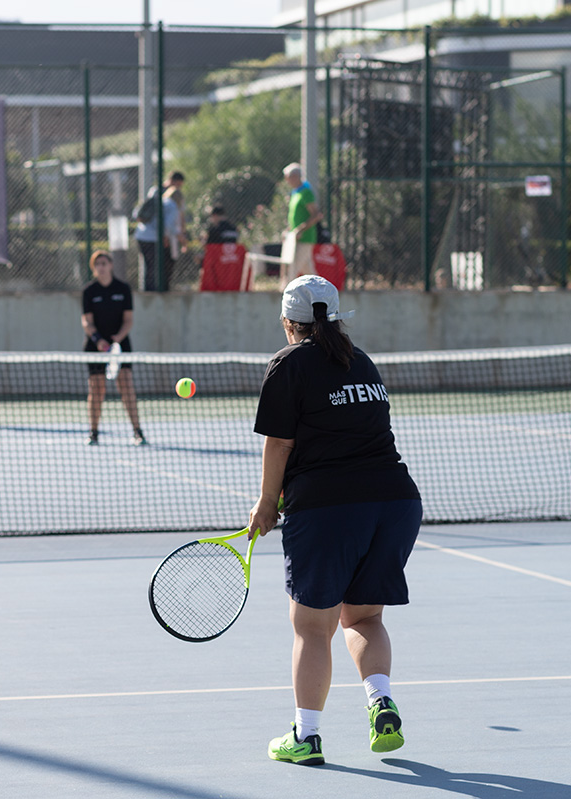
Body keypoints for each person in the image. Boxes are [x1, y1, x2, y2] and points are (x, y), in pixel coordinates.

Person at [249, 275, 422, 766]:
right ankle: (380, 701)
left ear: (288, 322)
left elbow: (280, 443)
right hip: (395, 504)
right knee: (364, 617)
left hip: (329, 510)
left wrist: (266, 502)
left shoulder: (288, 363)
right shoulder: (360, 360)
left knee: (312, 628)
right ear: (337, 316)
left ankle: (306, 737)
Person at [81, 250, 145, 446]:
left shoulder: (123, 289)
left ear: (110, 265)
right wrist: (99, 340)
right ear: (94, 268)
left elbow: (128, 320)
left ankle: (138, 431)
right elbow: (86, 321)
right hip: (95, 347)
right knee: (97, 389)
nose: (101, 267)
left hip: (120, 345)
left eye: (104, 263)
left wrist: (118, 339)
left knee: (126, 386)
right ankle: (93, 432)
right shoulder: (89, 291)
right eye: (97, 264)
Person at [135, 172, 184, 291]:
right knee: (157, 266)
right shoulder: (171, 204)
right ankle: (156, 291)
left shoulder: (159, 197)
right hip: (154, 237)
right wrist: (169, 237)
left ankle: (149, 290)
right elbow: (168, 225)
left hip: (141, 235)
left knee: (150, 266)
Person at [282, 163, 324, 290]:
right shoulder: (295, 193)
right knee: (309, 272)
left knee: (292, 269)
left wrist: (300, 230)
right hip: (295, 239)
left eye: (288, 177)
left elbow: (316, 215)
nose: (286, 181)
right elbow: (295, 217)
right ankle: (322, 293)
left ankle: (285, 294)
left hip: (305, 238)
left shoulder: (306, 193)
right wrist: (289, 230)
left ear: (295, 177)